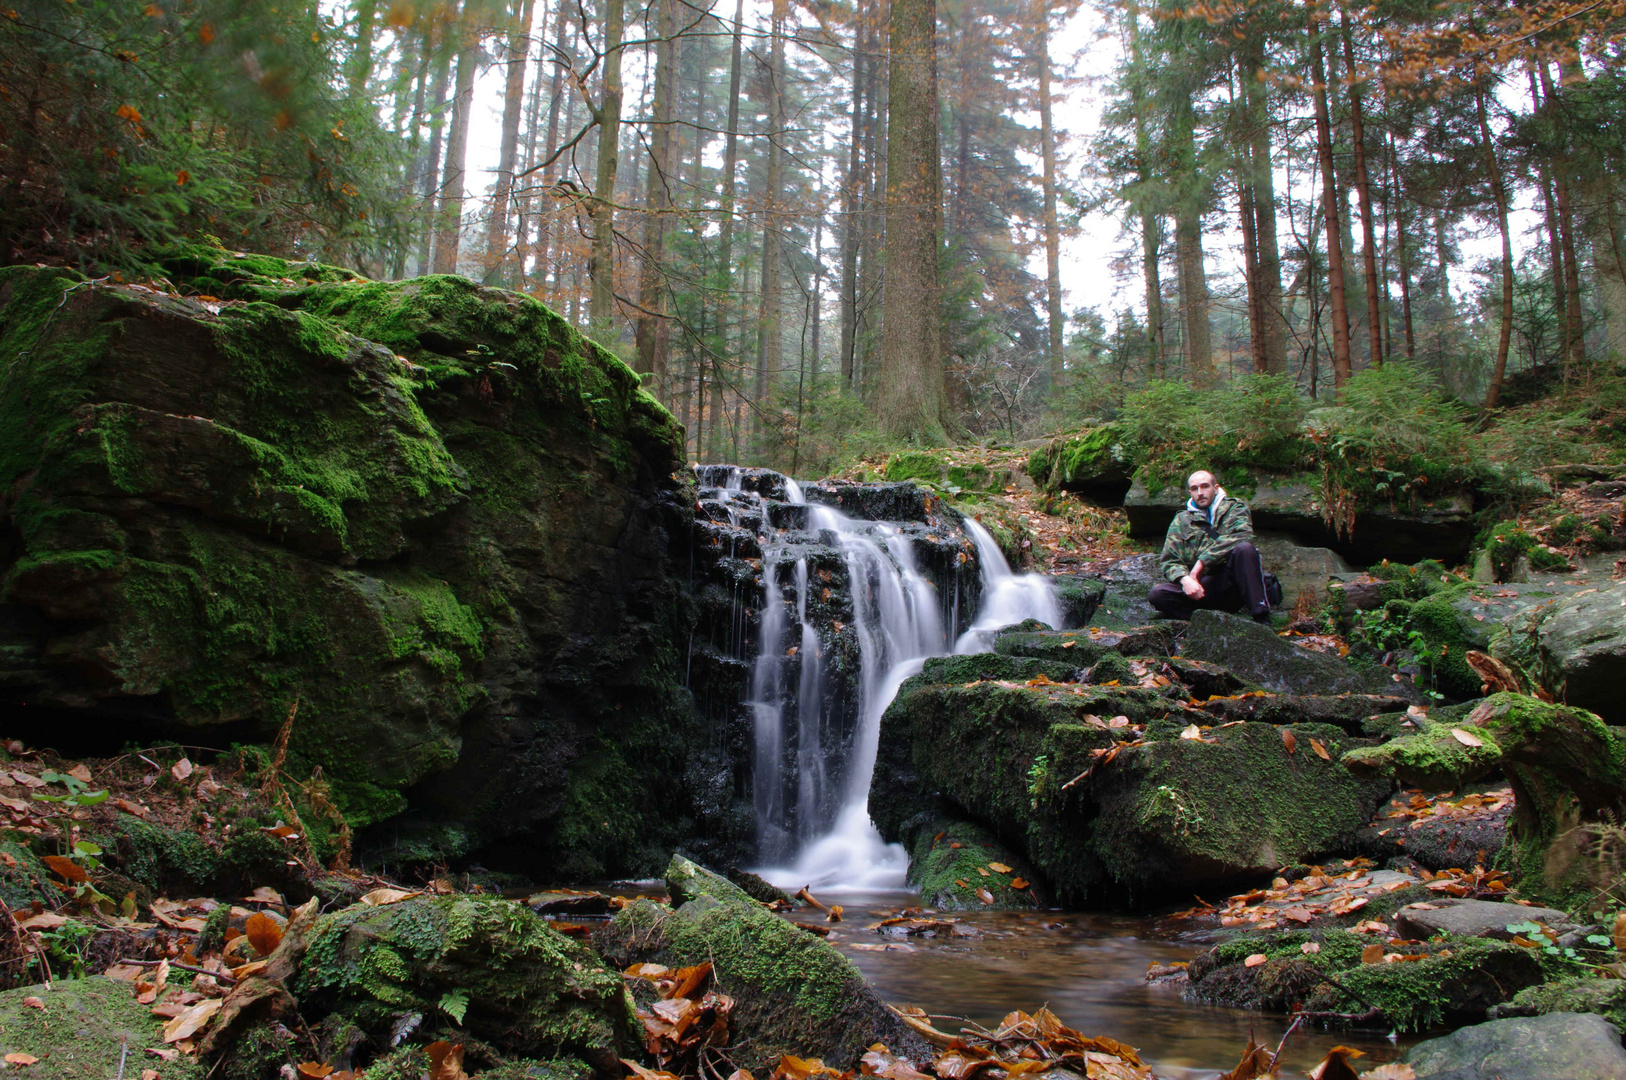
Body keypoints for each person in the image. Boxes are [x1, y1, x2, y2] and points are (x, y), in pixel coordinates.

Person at [1147, 470, 1272, 623]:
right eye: (1194, 489)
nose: (1200, 493)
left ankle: (1261, 617)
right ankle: (1207, 619)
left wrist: (1201, 562)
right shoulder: (1182, 520)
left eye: (1205, 486)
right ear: (1190, 492)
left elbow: (1242, 535)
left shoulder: (1234, 508)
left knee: (1244, 549)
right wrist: (1185, 579)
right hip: (1203, 589)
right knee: (1157, 594)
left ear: (1215, 488)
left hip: (1232, 582)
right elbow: (1169, 560)